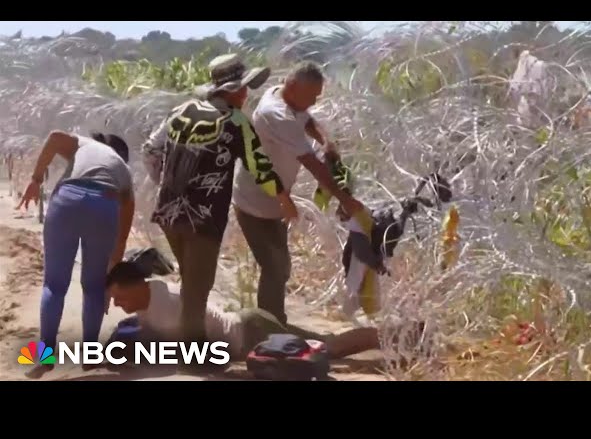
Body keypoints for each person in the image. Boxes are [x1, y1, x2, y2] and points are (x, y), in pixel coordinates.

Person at [141, 53, 297, 354]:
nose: (247, 94)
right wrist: (283, 199)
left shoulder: (180, 110)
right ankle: (193, 360)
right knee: (197, 293)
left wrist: (167, 182)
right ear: (234, 90)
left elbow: (150, 149)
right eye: (245, 88)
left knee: (191, 283)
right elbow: (259, 167)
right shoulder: (236, 121)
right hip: (203, 219)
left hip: (169, 213)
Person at [232, 61, 365, 325]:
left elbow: (307, 119)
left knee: (279, 265)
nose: (314, 102)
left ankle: (271, 321)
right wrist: (346, 200)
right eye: (311, 96)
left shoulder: (286, 96)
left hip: (275, 200)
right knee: (275, 266)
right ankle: (269, 327)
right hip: (255, 201)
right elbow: (312, 164)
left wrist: (326, 140)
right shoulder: (276, 114)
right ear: (293, 87)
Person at [17, 130, 135, 379]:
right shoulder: (123, 170)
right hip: (104, 205)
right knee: (93, 288)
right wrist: (113, 268)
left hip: (67, 200)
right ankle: (89, 358)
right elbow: (124, 228)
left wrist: (36, 179)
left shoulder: (85, 144)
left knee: (54, 285)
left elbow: (54, 136)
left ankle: (45, 356)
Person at [105, 261, 388, 362]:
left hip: (253, 333)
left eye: (120, 297)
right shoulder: (149, 295)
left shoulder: (168, 306)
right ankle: (392, 337)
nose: (117, 305)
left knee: (328, 348)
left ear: (137, 286)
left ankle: (394, 336)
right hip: (247, 326)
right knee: (325, 344)